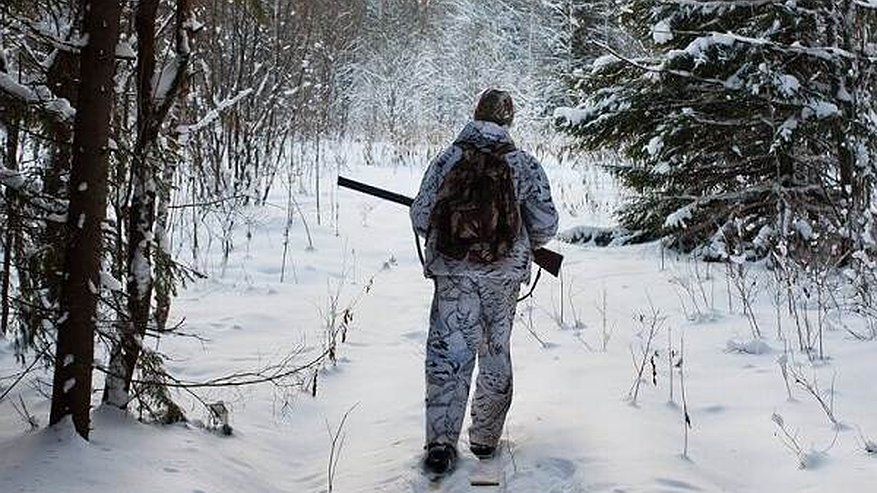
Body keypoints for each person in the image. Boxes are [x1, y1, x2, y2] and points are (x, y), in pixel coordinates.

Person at [410, 89, 559, 475]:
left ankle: (441, 445)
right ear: (508, 122)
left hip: (453, 275)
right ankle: (485, 440)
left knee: (448, 354)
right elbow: (546, 223)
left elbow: (421, 215)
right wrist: (517, 244)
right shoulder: (523, 165)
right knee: (494, 352)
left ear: (474, 115)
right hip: (502, 278)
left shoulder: (447, 160)